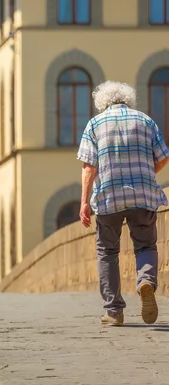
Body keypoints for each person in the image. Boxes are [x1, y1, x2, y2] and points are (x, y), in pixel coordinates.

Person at [77, 81, 169, 327]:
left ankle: (114, 311)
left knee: (107, 252)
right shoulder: (145, 120)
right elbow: (163, 157)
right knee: (146, 245)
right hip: (142, 196)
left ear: (102, 103)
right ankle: (145, 282)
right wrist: (146, 175)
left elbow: (89, 167)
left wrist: (84, 202)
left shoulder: (95, 124)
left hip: (108, 197)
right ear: (128, 100)